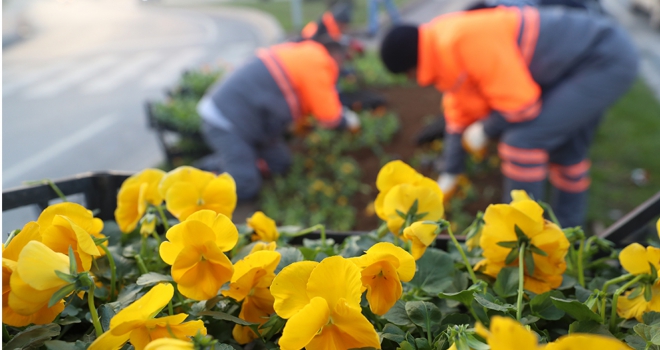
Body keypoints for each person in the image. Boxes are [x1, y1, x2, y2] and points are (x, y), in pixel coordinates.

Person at [379, 6, 638, 227]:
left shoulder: (459, 41)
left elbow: (522, 105)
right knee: (567, 154)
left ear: (412, 69)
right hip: (580, 64)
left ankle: (521, 235)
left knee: (522, 142)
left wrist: (486, 130)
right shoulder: (441, 46)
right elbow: (459, 113)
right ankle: (568, 237)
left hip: (602, 59)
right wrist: (450, 171)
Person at [197, 39, 361, 200]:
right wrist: (348, 121)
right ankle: (198, 181)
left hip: (254, 124)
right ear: (337, 58)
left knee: (280, 163)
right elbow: (329, 117)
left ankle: (236, 160)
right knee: (245, 184)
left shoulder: (305, 53)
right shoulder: (318, 63)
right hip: (227, 121)